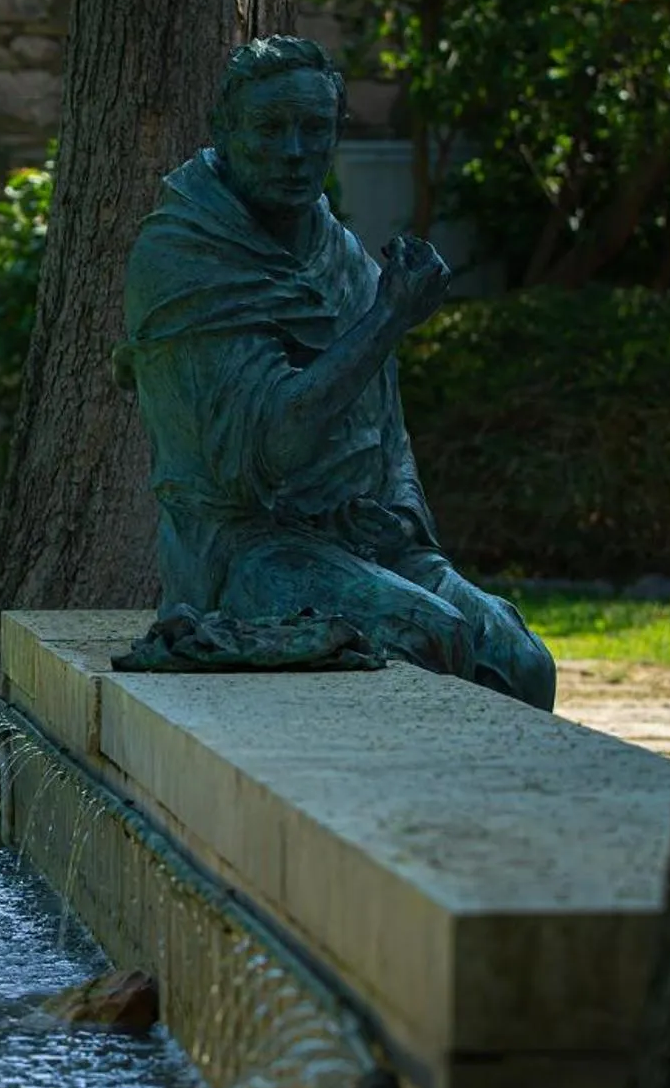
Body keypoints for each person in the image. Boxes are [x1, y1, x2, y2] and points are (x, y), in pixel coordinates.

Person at [115, 36, 556, 709]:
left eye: (314, 128)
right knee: (428, 637)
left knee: (522, 660)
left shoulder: (340, 252)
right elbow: (269, 448)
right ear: (225, 132)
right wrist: (389, 318)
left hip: (359, 538)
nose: (294, 151)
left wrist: (399, 517)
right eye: (270, 129)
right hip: (243, 549)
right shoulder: (182, 256)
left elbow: (387, 429)